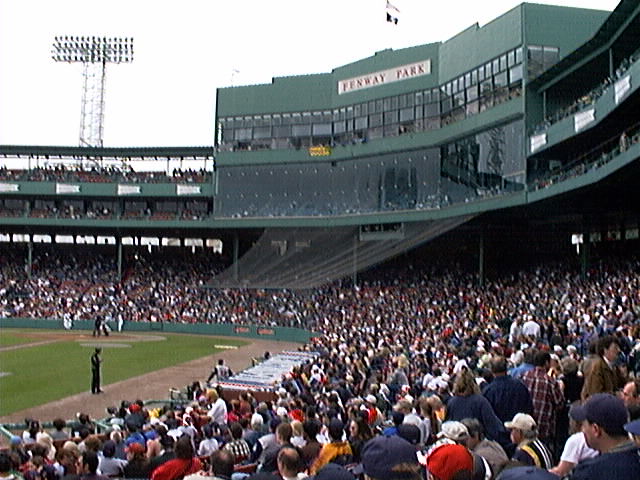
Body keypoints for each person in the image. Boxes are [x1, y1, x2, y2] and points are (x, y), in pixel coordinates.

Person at [568, 393, 640, 479]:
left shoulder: (590, 473)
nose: (582, 429)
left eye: (583, 424)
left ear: (596, 429)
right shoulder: (636, 459)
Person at [520, 351, 564, 446]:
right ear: (546, 363)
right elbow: (559, 403)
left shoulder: (525, 376)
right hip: (544, 426)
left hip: (525, 425)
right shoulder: (551, 382)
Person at [483, 356, 533, 424]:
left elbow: (486, 416)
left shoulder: (488, 391)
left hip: (499, 431)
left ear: (491, 370)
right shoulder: (520, 386)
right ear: (506, 368)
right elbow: (529, 408)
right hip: (519, 429)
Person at [581, 336, 627, 401]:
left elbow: (622, 382)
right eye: (615, 348)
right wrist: (615, 394)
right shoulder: (597, 367)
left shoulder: (613, 366)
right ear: (605, 350)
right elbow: (596, 394)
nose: (618, 350)